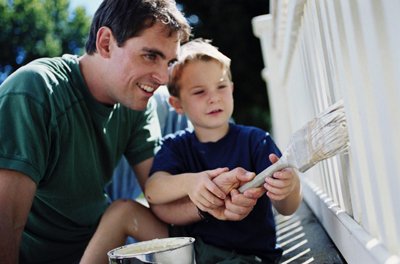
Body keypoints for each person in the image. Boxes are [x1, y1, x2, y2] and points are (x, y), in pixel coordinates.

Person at [0, 0, 191, 263]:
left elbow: (160, 194)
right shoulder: (35, 91)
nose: (163, 77)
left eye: (168, 62)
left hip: (101, 249)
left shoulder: (136, 105)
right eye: (150, 55)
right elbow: (5, 222)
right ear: (105, 43)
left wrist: (215, 199)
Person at [144, 39, 302, 263]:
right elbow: (153, 189)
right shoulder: (176, 146)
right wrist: (191, 183)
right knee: (122, 212)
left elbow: (286, 208)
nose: (214, 97)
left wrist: (290, 186)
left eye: (221, 86)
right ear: (177, 104)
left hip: (249, 257)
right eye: (199, 91)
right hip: (197, 253)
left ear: (232, 89)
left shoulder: (256, 141)